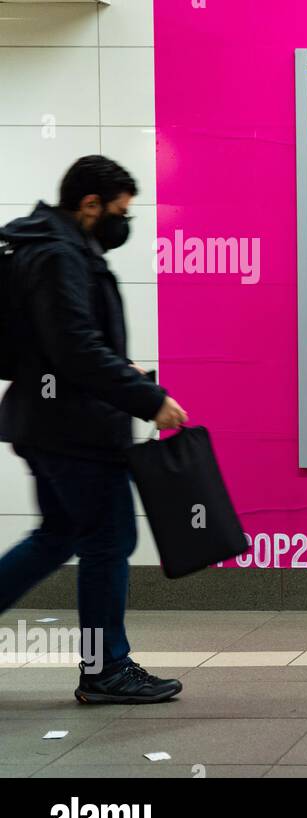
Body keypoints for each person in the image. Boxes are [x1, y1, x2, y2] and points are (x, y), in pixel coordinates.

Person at [0, 156, 188, 704]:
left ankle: (105, 665)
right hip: (73, 430)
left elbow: (64, 344)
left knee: (57, 536)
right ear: (90, 205)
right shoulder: (61, 255)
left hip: (45, 419)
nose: (122, 223)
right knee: (108, 541)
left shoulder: (48, 246)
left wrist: (123, 373)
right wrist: (148, 399)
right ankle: (105, 668)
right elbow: (75, 348)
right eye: (119, 212)